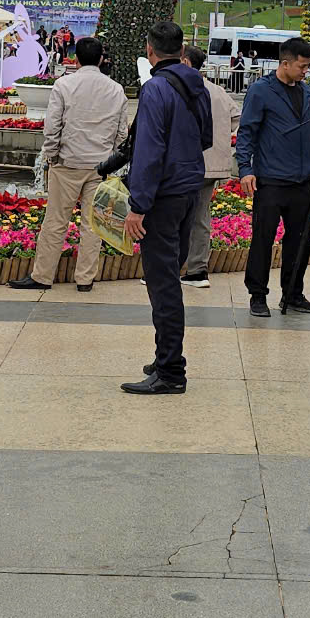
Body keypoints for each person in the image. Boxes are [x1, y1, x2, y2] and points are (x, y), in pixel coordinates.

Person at [114, 22, 210, 395]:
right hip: (189, 189)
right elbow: (206, 137)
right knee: (170, 275)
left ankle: (171, 371)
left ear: (150, 50)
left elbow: (149, 151)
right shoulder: (197, 84)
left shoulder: (155, 89)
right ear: (180, 49)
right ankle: (164, 356)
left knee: (163, 283)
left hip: (163, 195)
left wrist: (139, 205)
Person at [11, 35, 127, 294]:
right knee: (92, 224)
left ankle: (42, 276)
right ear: (101, 59)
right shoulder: (116, 89)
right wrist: (110, 154)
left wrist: (51, 156)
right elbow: (122, 133)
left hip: (67, 163)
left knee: (55, 221)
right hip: (101, 166)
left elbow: (52, 127)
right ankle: (85, 280)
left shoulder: (63, 85)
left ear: (75, 59)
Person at [236, 36, 310, 318]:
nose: (305, 71)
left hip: (303, 181)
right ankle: (257, 295)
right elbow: (246, 132)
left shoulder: (307, 93)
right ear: (284, 63)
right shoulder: (261, 91)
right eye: (301, 66)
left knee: (300, 241)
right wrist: (246, 170)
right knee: (263, 239)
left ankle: (293, 293)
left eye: (308, 67)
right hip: (271, 179)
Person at [185, 45, 238, 288]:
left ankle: (173, 268)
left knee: (176, 216)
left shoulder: (183, 89)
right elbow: (238, 119)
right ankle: (197, 269)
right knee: (201, 216)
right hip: (213, 164)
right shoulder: (218, 91)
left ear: (185, 62)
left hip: (187, 164)